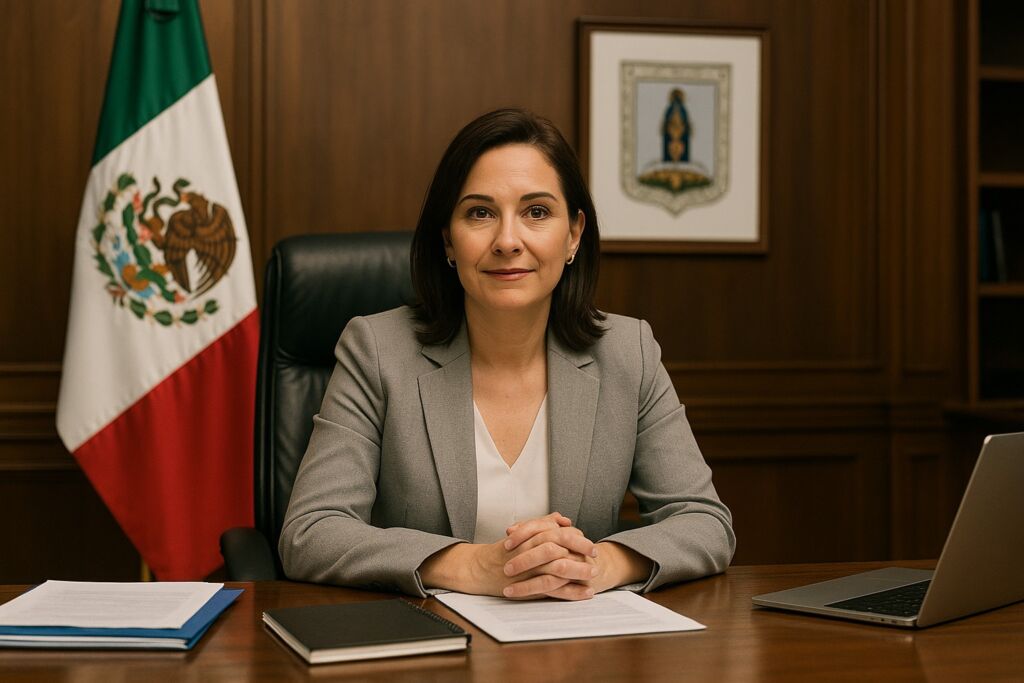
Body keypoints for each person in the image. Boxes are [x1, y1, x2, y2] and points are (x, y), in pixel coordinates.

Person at [279, 108, 735, 600]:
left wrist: (597, 564)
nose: (508, 241)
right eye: (480, 213)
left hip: (578, 636)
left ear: (574, 235)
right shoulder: (377, 350)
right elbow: (311, 532)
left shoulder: (629, 352)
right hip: (427, 636)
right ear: (448, 239)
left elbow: (704, 522)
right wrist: (473, 565)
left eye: (536, 212)